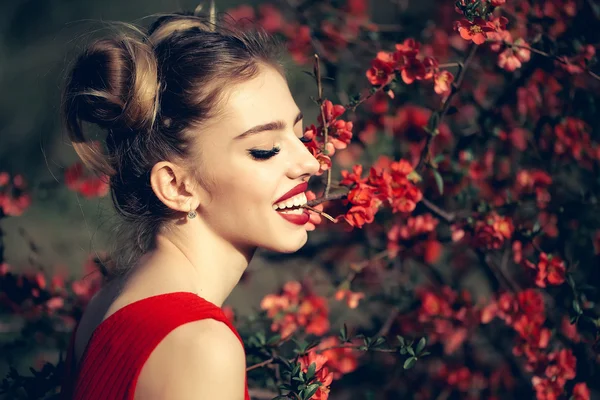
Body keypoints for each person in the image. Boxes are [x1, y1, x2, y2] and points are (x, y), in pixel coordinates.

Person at [59, 10, 320, 400]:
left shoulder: (105, 305)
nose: (310, 163)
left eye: (301, 135)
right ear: (177, 185)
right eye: (265, 150)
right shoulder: (200, 346)